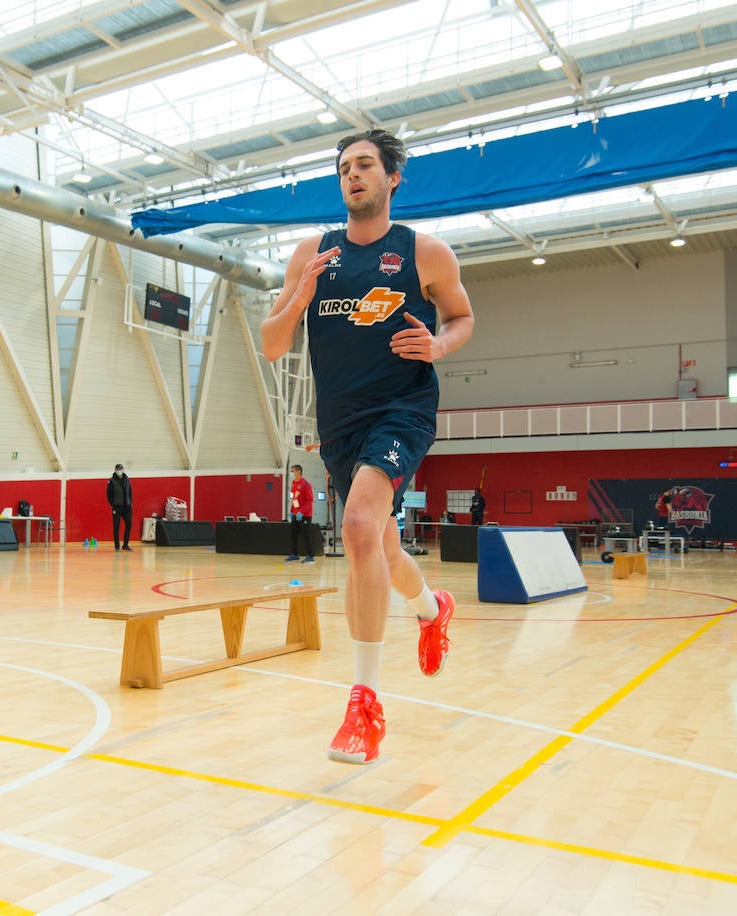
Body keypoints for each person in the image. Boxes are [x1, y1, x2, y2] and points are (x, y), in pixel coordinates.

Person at [260, 128, 475, 764]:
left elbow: (462, 317)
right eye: (344, 167)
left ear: (392, 178)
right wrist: (300, 294)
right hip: (341, 423)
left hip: (403, 411)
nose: (352, 175)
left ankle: (364, 705)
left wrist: (439, 344)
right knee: (378, 545)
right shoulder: (312, 253)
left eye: (364, 165)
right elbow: (273, 345)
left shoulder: (425, 253)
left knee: (357, 525)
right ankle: (432, 609)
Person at [285, 464, 316, 564]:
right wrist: (292, 511)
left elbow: (310, 500)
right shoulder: (293, 483)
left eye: (292, 471)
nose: (291, 473)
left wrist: (301, 512)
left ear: (298, 471)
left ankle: (310, 556)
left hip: (305, 515)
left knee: (306, 535)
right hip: (295, 514)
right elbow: (294, 499)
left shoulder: (305, 484)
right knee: (293, 535)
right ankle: (294, 555)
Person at [107, 463, 134, 551]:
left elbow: (130, 491)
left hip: (127, 506)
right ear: (115, 470)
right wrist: (113, 505)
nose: (119, 471)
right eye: (118, 469)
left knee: (129, 524)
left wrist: (130, 502)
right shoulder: (111, 481)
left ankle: (125, 545)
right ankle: (117, 546)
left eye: (121, 469)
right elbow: (109, 494)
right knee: (116, 526)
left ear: (123, 470)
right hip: (117, 507)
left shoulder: (127, 479)